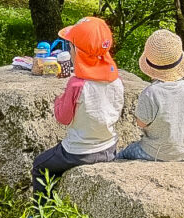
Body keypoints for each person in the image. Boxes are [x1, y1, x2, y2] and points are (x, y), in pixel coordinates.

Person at [32, 17, 124, 200]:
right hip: (108, 147)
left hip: (78, 151)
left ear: (76, 52)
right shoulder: (116, 80)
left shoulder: (77, 84)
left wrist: (59, 101)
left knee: (40, 166)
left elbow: (63, 118)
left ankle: (39, 213)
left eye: (70, 46)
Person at [116, 29, 184, 162]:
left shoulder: (151, 92)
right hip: (183, 151)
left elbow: (141, 122)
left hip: (155, 152)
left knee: (124, 153)